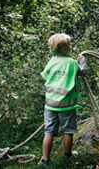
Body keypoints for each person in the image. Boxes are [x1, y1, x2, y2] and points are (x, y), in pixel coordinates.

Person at [39, 33, 87, 165]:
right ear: (65, 49)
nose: (71, 47)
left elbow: (46, 76)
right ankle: (67, 156)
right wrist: (82, 61)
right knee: (68, 131)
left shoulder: (51, 61)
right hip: (66, 104)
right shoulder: (72, 63)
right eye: (69, 45)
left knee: (49, 132)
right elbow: (82, 72)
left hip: (50, 104)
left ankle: (45, 159)